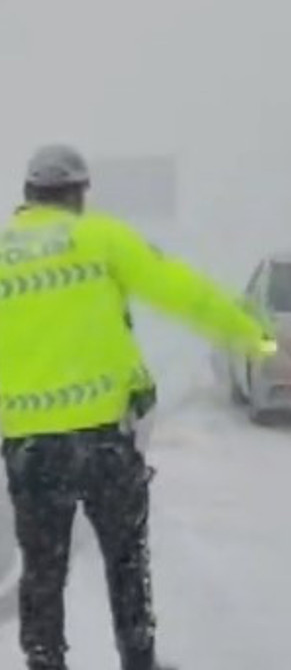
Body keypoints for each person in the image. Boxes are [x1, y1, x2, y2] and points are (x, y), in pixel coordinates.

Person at [0, 144, 276, 670]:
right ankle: (138, 660)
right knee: (126, 561)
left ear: (29, 195)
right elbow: (181, 291)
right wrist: (250, 333)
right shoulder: (103, 238)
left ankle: (44, 661)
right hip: (103, 441)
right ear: (78, 194)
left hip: (30, 448)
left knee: (42, 570)